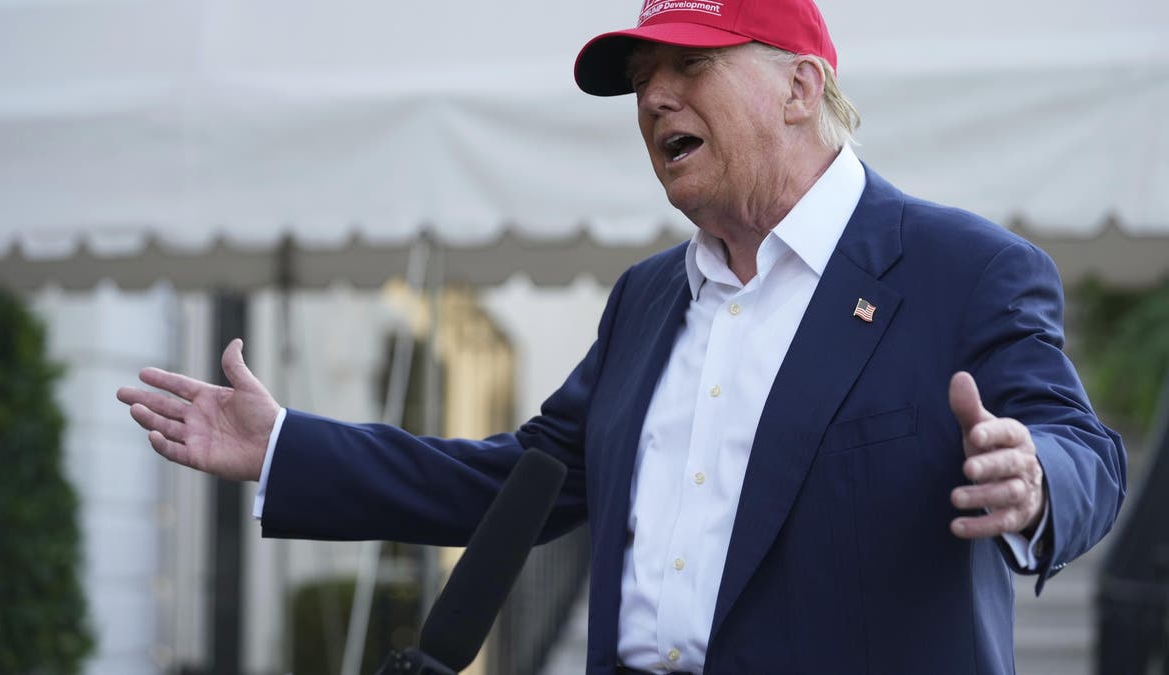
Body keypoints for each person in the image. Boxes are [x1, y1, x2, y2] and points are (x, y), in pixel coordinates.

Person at [117, 0, 1127, 672]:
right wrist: (287, 447)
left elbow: (1090, 456)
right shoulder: (648, 300)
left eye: (690, 64)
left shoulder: (960, 270)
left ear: (799, 87)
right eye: (644, 76)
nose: (653, 99)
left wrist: (1035, 478)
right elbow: (514, 487)